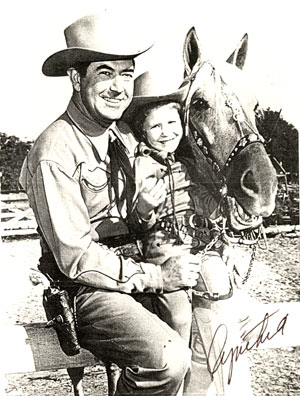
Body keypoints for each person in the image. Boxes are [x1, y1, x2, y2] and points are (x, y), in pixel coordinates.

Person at [19, 13, 202, 396]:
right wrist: (156, 277)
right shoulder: (55, 150)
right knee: (167, 360)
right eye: (105, 73)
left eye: (126, 73)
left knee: (213, 324)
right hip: (87, 290)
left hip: (132, 269)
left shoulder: (122, 139)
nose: (120, 87)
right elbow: (76, 255)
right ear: (76, 78)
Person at [126, 71, 255, 396]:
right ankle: (177, 375)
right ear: (142, 131)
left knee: (217, 285)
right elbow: (137, 220)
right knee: (180, 314)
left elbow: (200, 198)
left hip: (195, 244)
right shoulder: (140, 168)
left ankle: (207, 381)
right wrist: (144, 206)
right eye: (156, 127)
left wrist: (227, 213)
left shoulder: (185, 165)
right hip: (163, 247)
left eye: (172, 124)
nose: (166, 132)